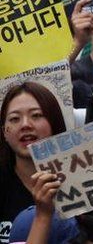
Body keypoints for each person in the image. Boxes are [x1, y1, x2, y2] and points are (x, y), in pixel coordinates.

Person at [0, 83, 67, 244]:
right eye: (15, 119)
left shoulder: (85, 176)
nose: (25, 125)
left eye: (36, 115)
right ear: (4, 132)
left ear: (54, 122)